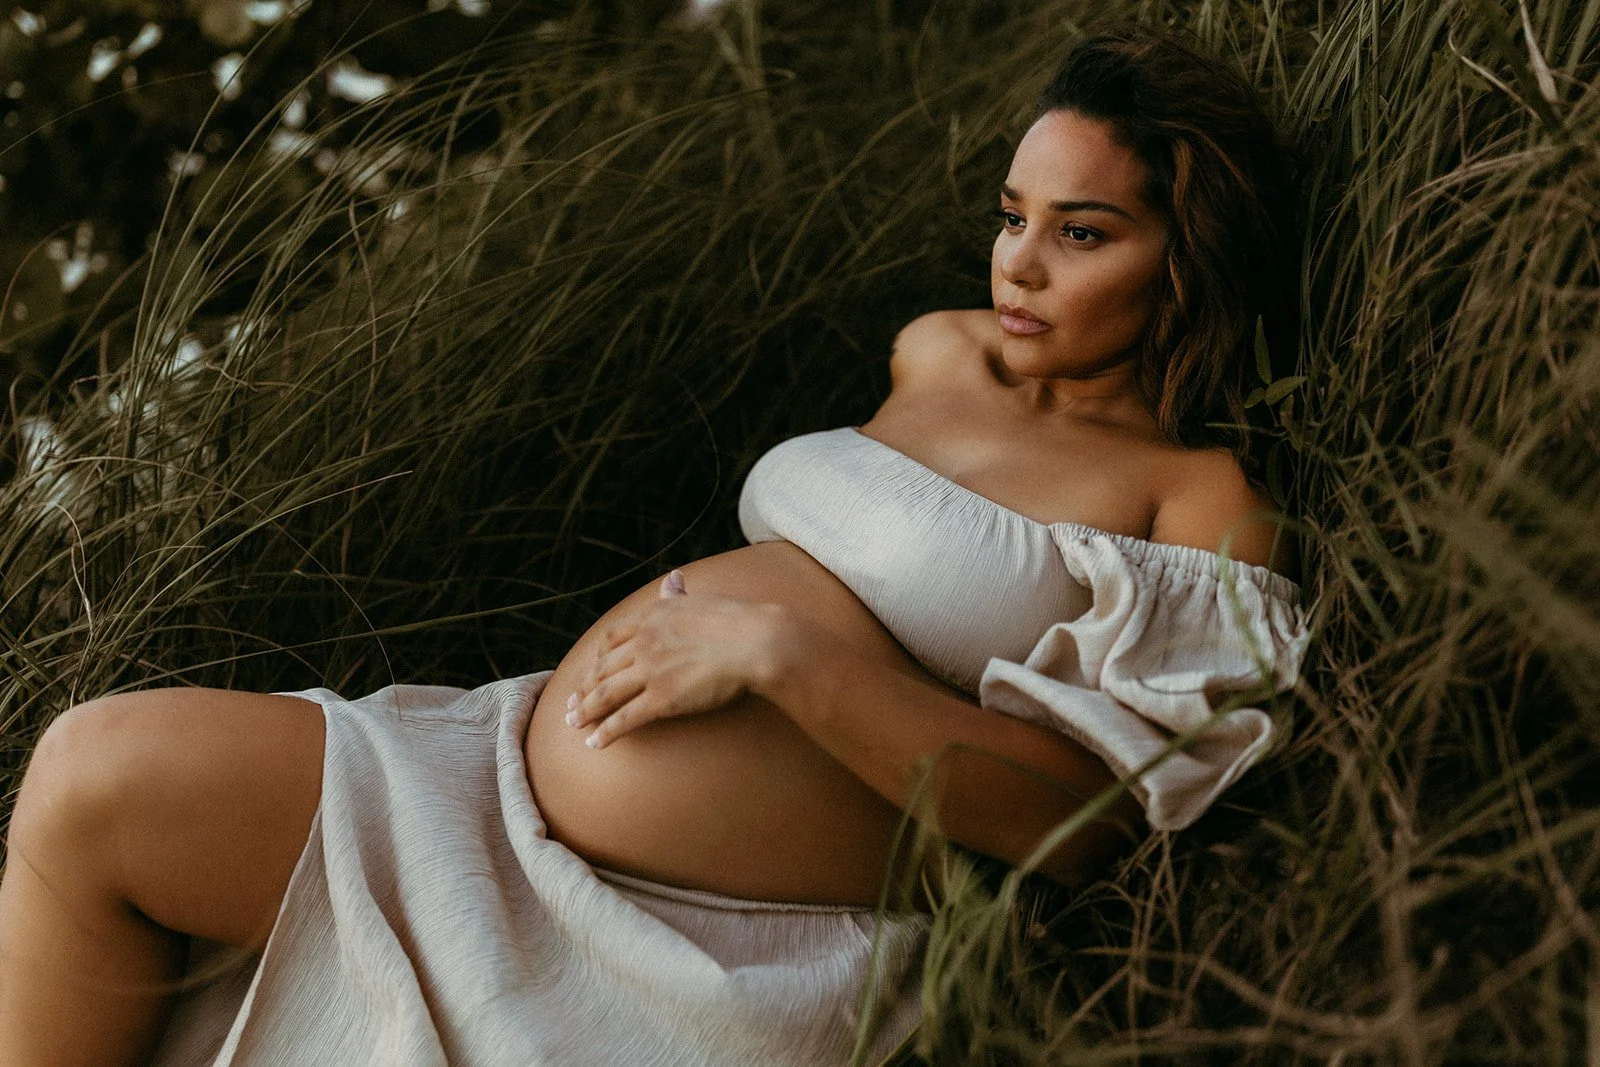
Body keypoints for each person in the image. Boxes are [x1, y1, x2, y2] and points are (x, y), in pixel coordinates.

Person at [0, 24, 1310, 1066]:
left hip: (709, 950)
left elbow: (1088, 824)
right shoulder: (939, 346)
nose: (1019, 263)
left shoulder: (1195, 502)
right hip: (482, 800)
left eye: (1082, 233)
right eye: (1012, 213)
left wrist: (790, 659)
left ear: (1191, 257)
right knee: (91, 777)